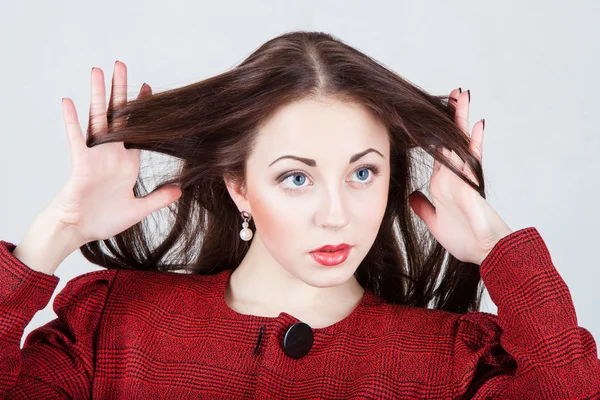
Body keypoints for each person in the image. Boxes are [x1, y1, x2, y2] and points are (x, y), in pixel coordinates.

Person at [1, 31, 598, 399]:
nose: (336, 215)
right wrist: (57, 233)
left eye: (362, 173)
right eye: (296, 177)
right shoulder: (113, 329)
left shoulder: (448, 363)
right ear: (238, 185)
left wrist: (499, 248)